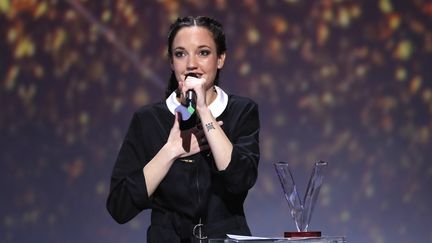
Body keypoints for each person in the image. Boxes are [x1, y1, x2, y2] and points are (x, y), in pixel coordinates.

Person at [106, 16, 260, 242]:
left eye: (203, 52)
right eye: (180, 54)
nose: (191, 64)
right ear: (171, 62)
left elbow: (240, 180)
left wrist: (203, 111)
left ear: (221, 59)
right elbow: (120, 206)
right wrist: (170, 151)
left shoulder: (241, 111)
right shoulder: (149, 119)